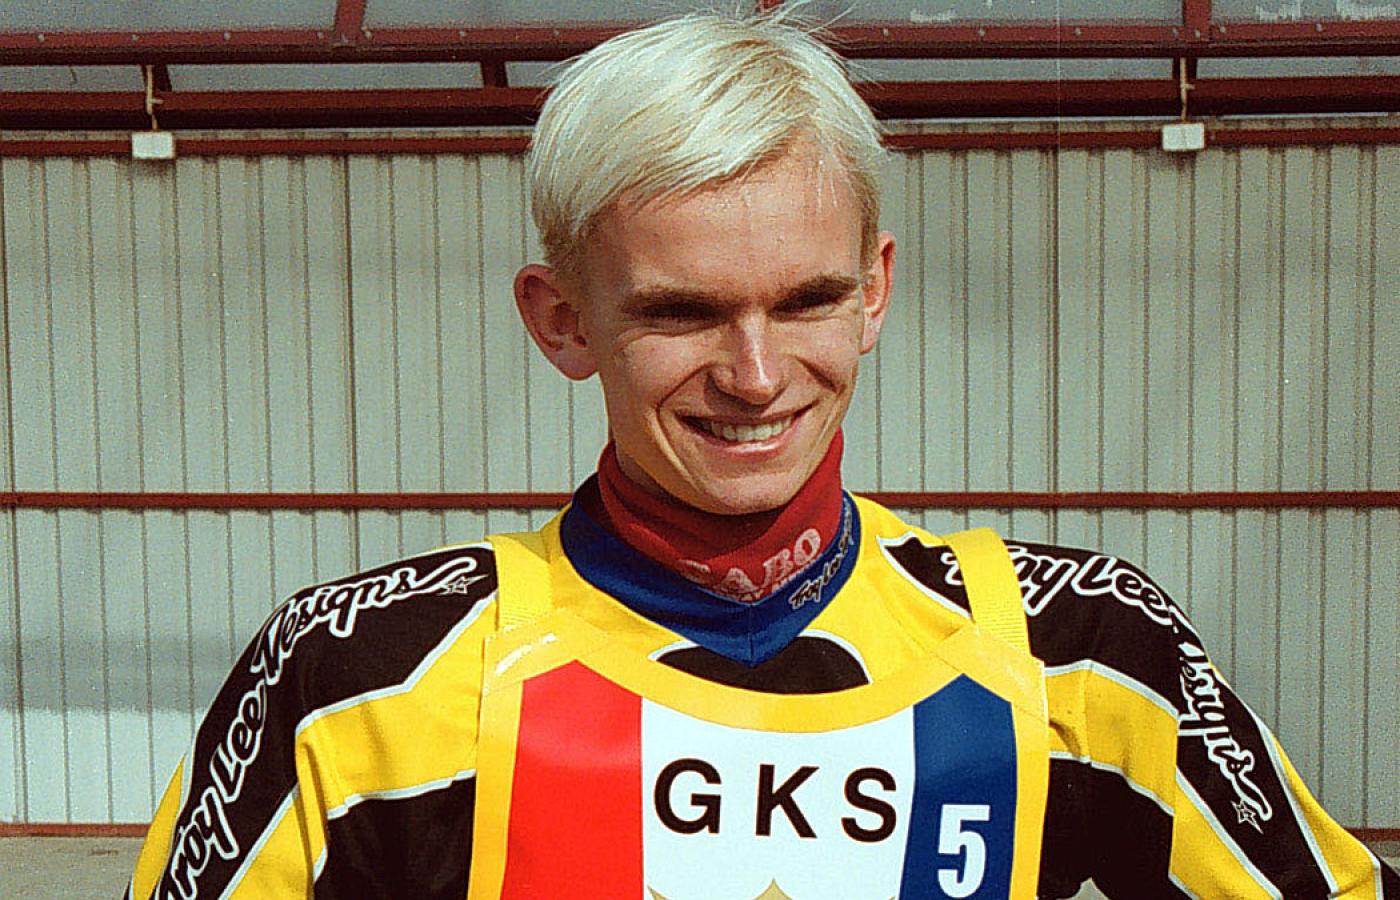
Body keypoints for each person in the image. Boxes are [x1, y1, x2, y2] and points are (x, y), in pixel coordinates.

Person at [125, 10, 1397, 900]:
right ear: (560, 321)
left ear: (873, 292)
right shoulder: (353, 675)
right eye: (680, 312)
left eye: (804, 301)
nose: (752, 375)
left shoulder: (1079, 646)